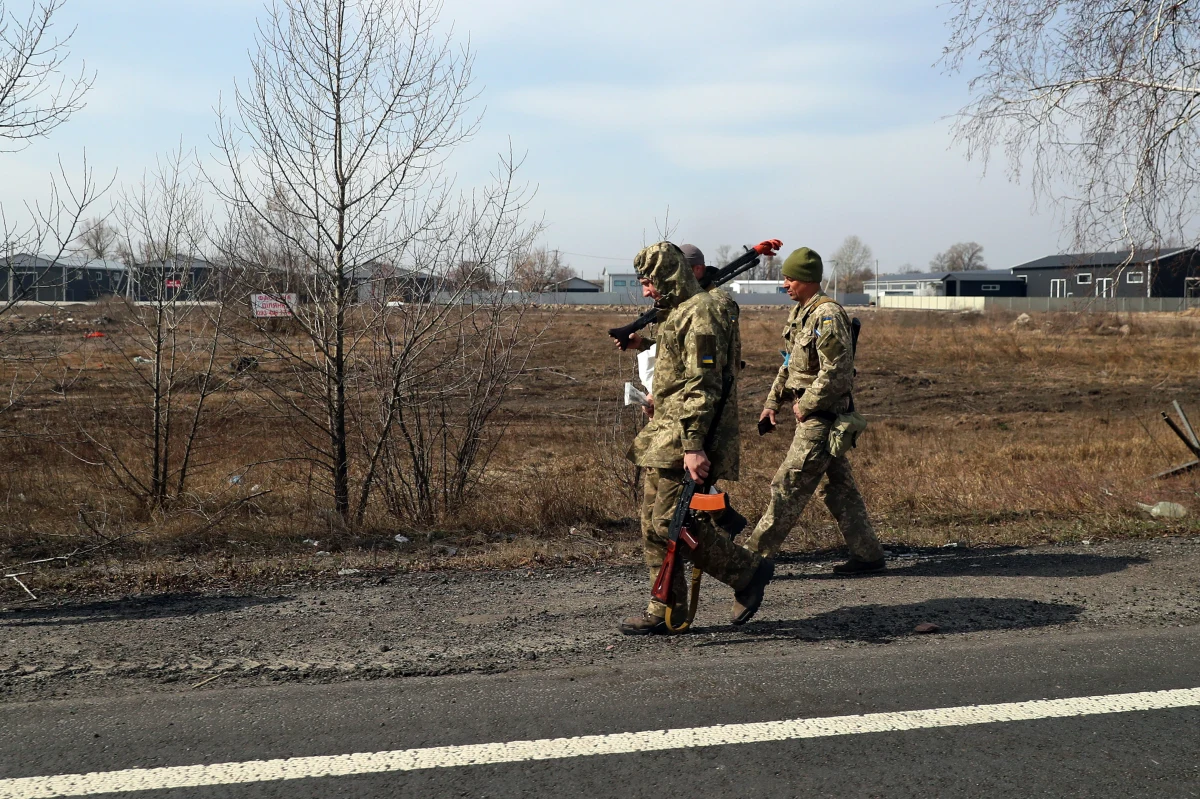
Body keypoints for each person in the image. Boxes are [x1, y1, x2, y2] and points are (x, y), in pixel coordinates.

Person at [620, 242, 774, 634]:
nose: (646, 291)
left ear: (669, 275)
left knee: (671, 522)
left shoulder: (701, 312)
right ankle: (666, 609)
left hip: (684, 437)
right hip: (664, 432)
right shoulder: (679, 313)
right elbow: (678, 370)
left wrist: (693, 446)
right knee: (652, 524)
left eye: (649, 281)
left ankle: (747, 572)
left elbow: (703, 384)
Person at [744, 246, 886, 574]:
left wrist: (805, 405)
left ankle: (751, 561)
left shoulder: (827, 315)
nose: (785, 284)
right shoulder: (801, 314)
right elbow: (789, 364)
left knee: (788, 483)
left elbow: (837, 371)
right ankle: (868, 555)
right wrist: (771, 403)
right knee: (839, 489)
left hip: (821, 417)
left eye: (790, 278)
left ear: (809, 280)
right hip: (809, 414)